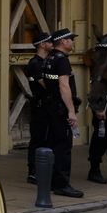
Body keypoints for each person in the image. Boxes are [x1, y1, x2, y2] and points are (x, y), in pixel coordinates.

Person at [46, 27, 84, 197]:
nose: (73, 42)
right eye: (71, 39)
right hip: (61, 110)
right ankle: (62, 184)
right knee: (63, 148)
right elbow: (64, 86)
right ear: (63, 41)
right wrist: (71, 111)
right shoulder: (62, 60)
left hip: (51, 107)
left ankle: (52, 182)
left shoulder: (50, 58)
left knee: (53, 146)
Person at [24, 32, 54, 185]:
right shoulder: (35, 64)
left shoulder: (46, 61)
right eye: (49, 42)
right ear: (42, 45)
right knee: (38, 139)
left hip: (46, 105)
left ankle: (42, 169)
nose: (52, 43)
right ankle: (33, 171)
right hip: (40, 106)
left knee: (46, 139)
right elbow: (46, 85)